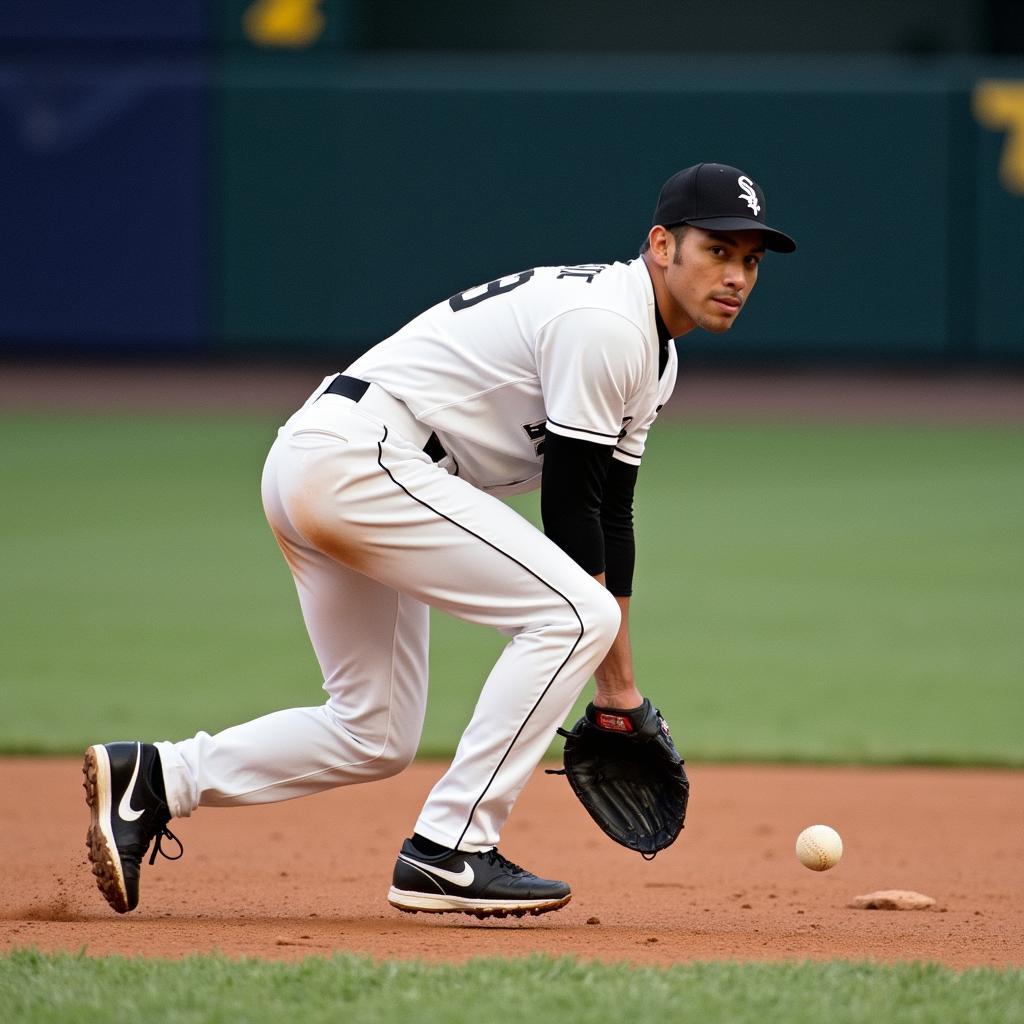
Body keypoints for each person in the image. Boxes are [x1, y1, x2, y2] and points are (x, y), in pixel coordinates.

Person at [83, 162, 796, 919]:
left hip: (332, 459)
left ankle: (157, 779)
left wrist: (619, 696)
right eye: (718, 251)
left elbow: (613, 512)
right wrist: (613, 680)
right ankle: (450, 849)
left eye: (750, 260)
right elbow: (573, 512)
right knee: (574, 615)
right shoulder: (609, 326)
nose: (737, 275)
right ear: (662, 245)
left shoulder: (654, 352)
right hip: (363, 457)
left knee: (375, 732)